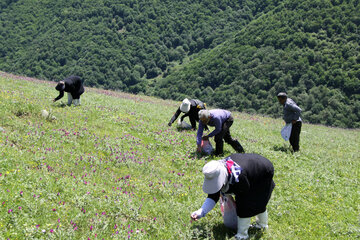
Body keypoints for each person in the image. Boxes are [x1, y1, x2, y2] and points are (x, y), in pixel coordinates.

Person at [191, 153, 275, 240]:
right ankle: (260, 226)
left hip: (263, 171)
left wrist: (241, 230)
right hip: (249, 168)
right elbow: (213, 195)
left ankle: (244, 234)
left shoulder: (239, 177)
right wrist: (201, 211)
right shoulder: (218, 171)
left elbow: (243, 204)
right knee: (254, 203)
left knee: (255, 201)